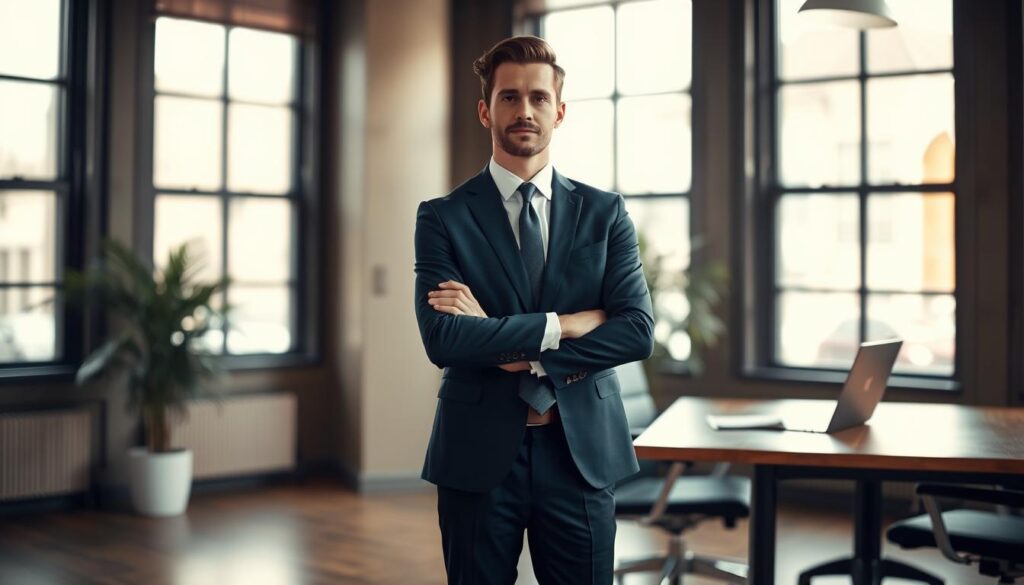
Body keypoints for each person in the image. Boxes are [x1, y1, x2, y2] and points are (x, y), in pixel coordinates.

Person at [413, 35, 655, 585]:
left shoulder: (606, 213)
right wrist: (563, 324)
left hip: (581, 455)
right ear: (485, 109)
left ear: (559, 111)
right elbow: (443, 340)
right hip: (476, 455)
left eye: (538, 98)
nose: (524, 110)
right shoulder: (442, 218)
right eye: (509, 97)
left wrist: (506, 345)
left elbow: (636, 332)